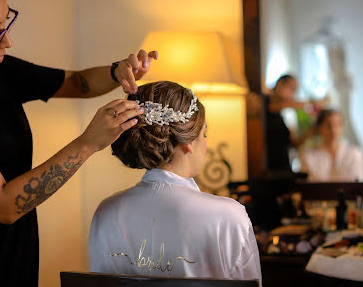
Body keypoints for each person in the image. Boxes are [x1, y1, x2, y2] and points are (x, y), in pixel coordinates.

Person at [0, 0, 157, 286]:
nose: (7, 42)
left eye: (6, 25)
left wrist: (118, 71)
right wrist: (87, 144)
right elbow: (4, 204)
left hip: (16, 259)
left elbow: (77, 83)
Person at [89, 81, 263, 283]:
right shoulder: (228, 216)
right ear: (188, 142)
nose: (205, 143)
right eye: (204, 133)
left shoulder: (106, 212)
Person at [265, 74, 322, 173]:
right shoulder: (266, 103)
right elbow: (273, 107)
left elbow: (293, 144)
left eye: (294, 91)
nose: (292, 94)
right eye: (291, 88)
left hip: (283, 167)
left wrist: (312, 131)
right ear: (279, 84)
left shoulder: (281, 117)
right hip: (268, 167)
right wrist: (309, 104)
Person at [300, 109, 363, 182]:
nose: (333, 130)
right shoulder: (308, 156)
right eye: (329, 125)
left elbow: (360, 183)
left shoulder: (355, 153)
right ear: (319, 127)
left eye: (337, 124)